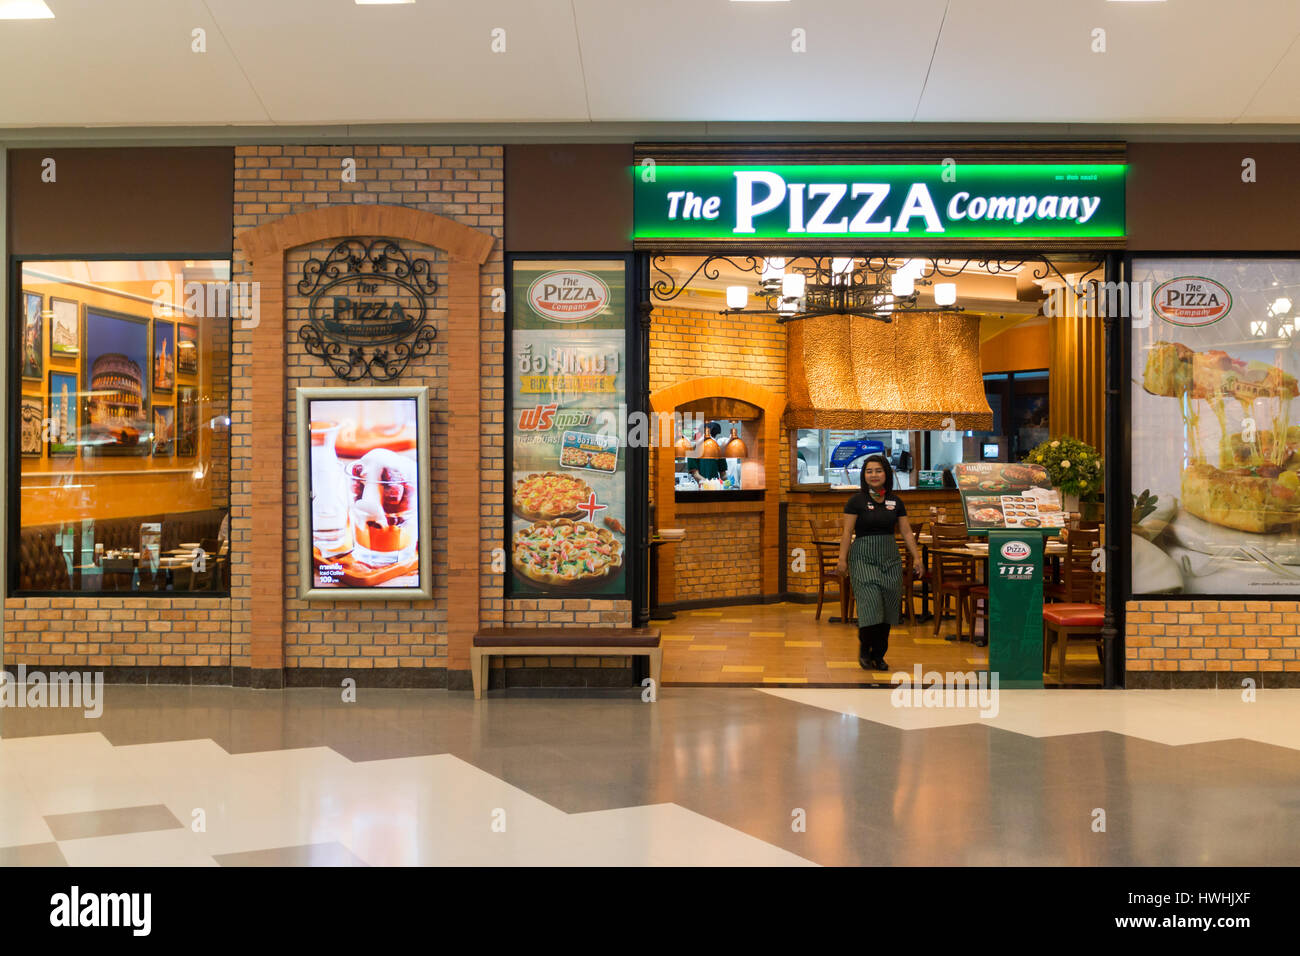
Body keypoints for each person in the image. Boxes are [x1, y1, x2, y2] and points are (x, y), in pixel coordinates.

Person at [836, 454, 923, 671]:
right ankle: (866, 650)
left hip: (890, 558)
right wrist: (842, 559)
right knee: (870, 605)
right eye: (869, 471)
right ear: (864, 475)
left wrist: (917, 557)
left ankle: (880, 654)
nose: (873, 475)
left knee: (888, 606)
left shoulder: (896, 501)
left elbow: (906, 531)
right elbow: (847, 532)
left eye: (878, 470)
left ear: (886, 473)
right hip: (863, 558)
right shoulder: (856, 501)